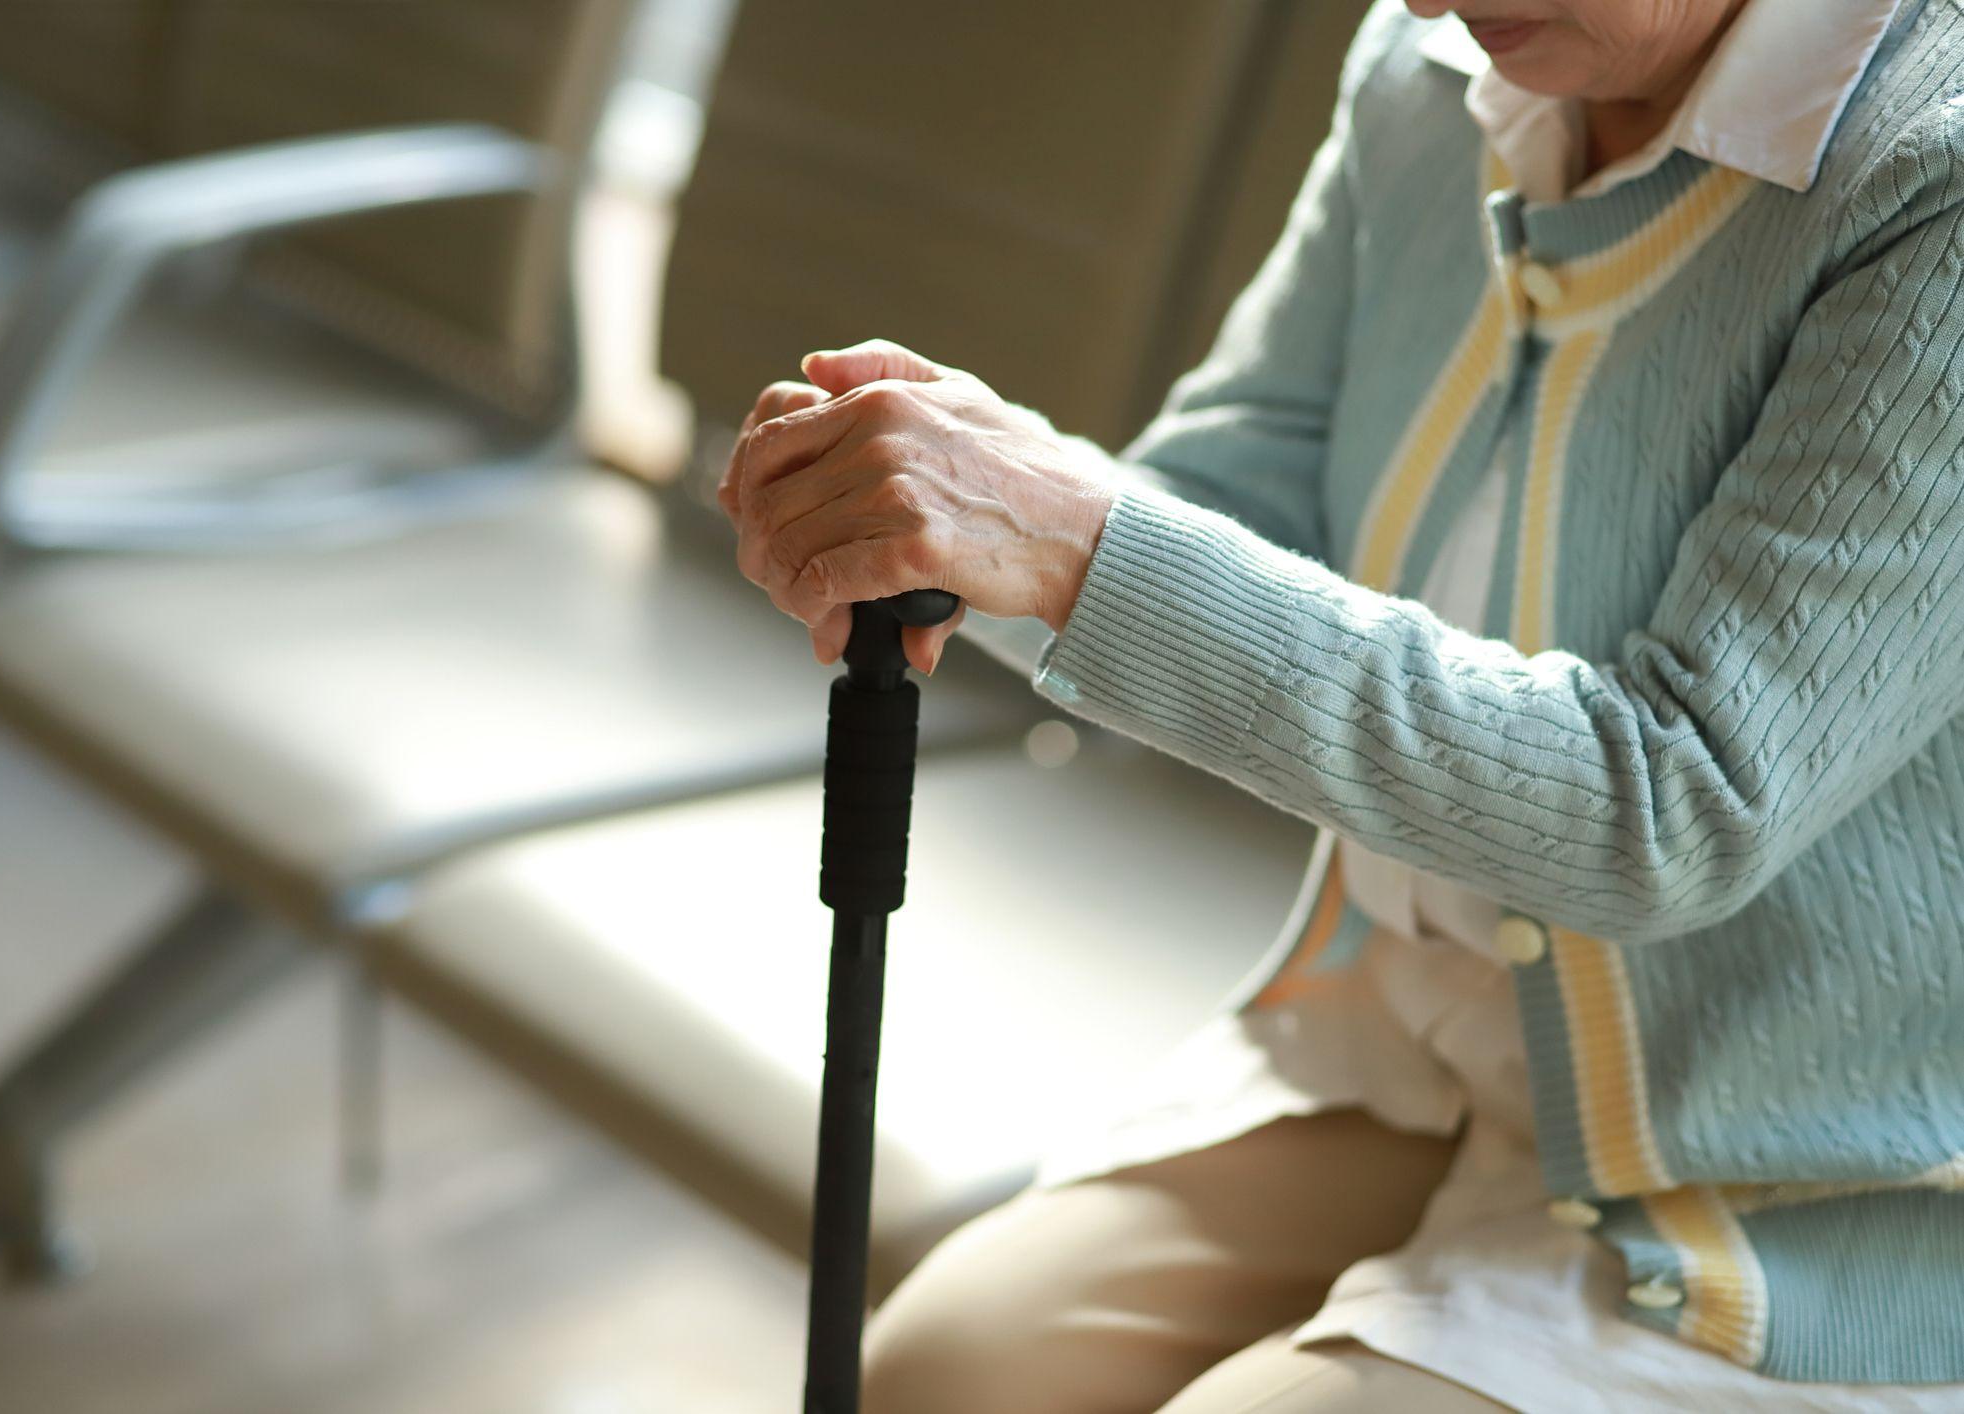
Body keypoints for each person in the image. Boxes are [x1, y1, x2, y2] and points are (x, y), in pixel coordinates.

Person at [719, 0, 1964, 1409]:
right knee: (942, 1375)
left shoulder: (1934, 169)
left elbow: (1670, 801)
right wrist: (960, 511)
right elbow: (1218, 501)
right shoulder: (1431, 72)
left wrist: (1074, 542)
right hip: (1427, 1046)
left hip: (1799, 1185)